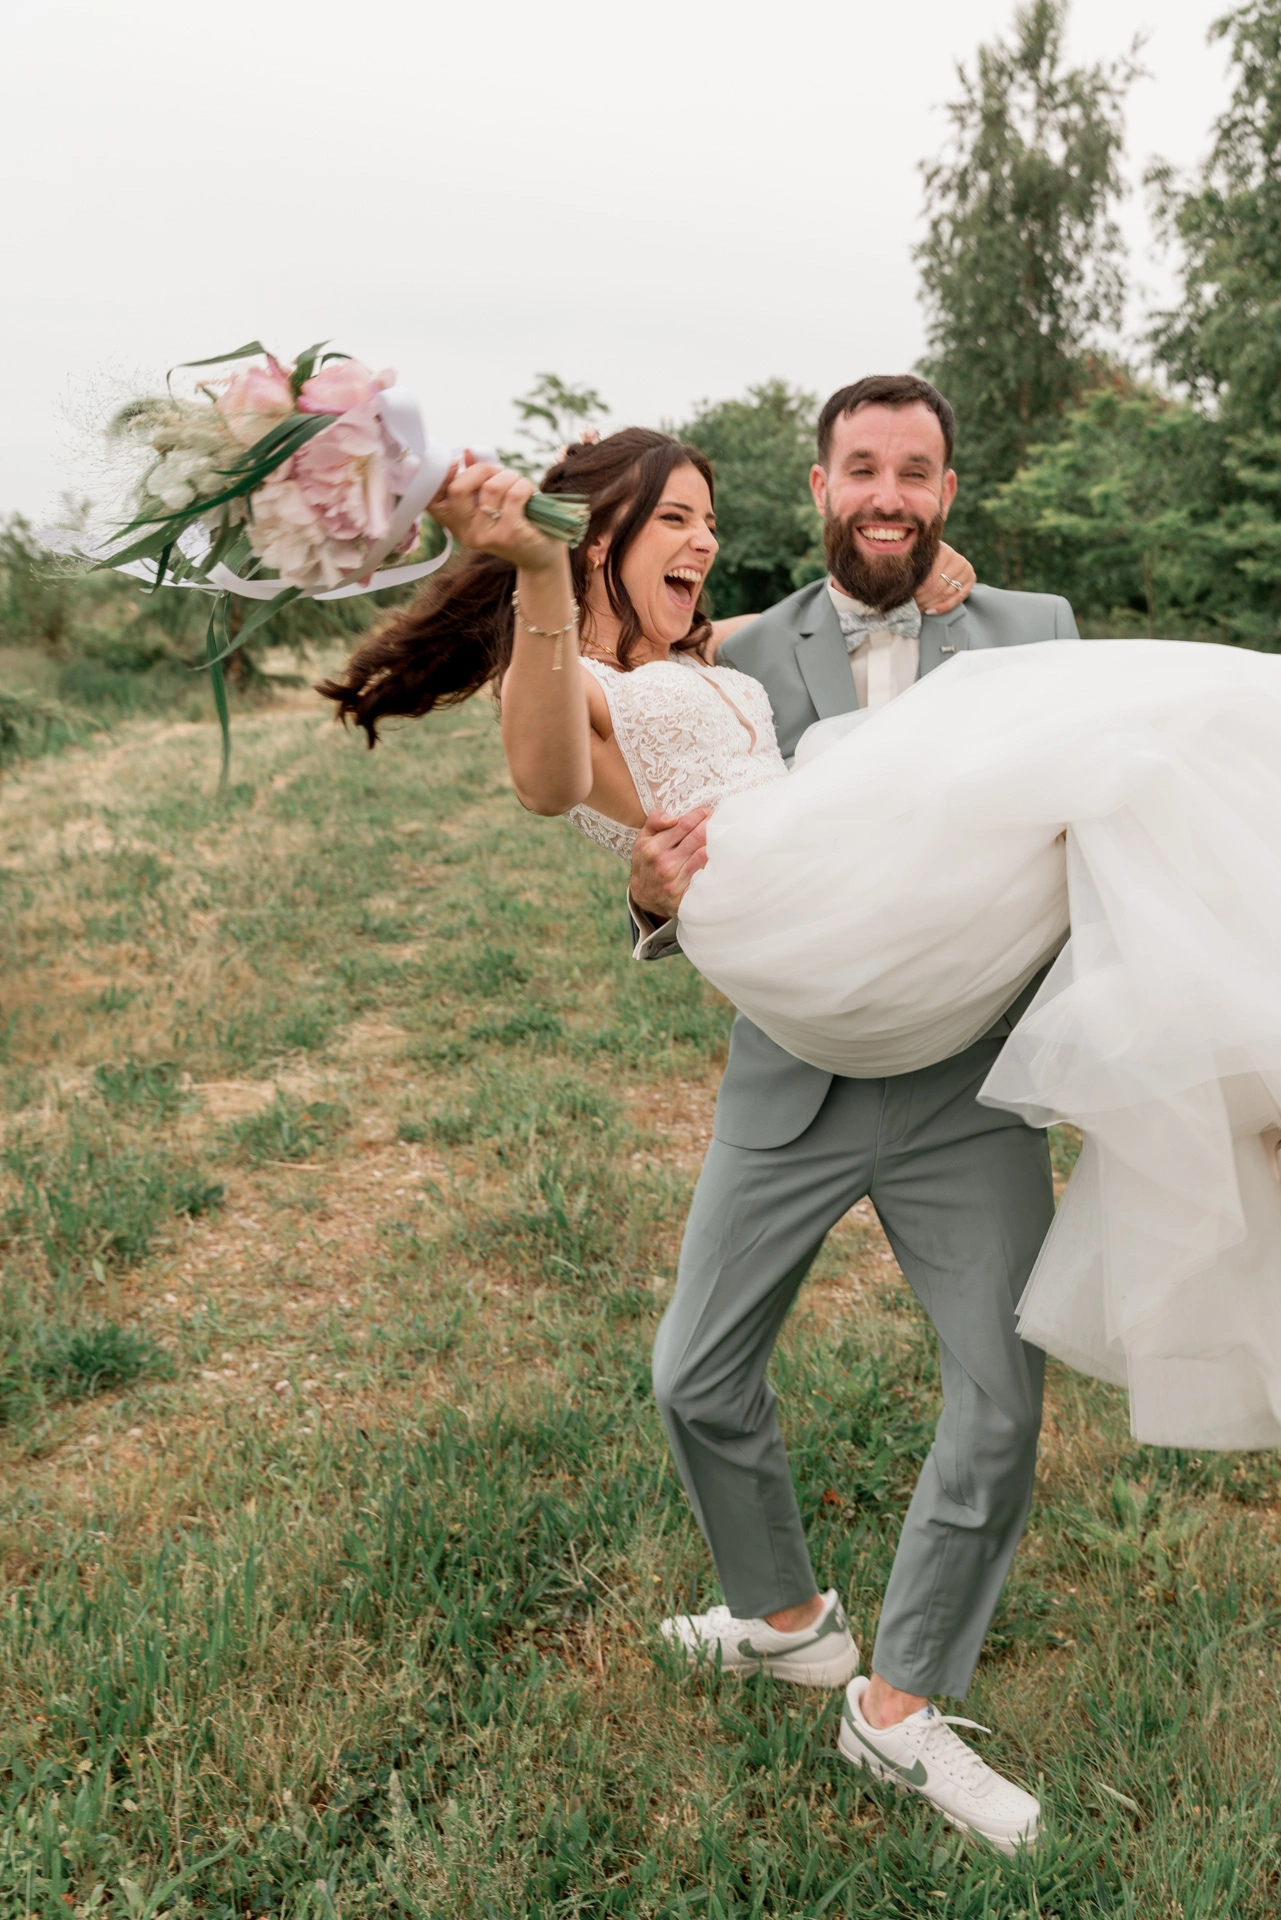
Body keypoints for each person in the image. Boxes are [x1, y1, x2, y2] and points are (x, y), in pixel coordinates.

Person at [320, 381, 1281, 1856]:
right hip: (796, 1050)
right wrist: (640, 887)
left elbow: (1095, 855)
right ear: (822, 486)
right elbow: (569, 781)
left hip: (961, 1075)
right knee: (694, 1377)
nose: (707, 541)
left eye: (915, 472)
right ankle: (785, 1620)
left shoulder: (1031, 634)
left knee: (1001, 1396)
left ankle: (902, 1709)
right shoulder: (738, 640)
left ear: (947, 490)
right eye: (854, 472)